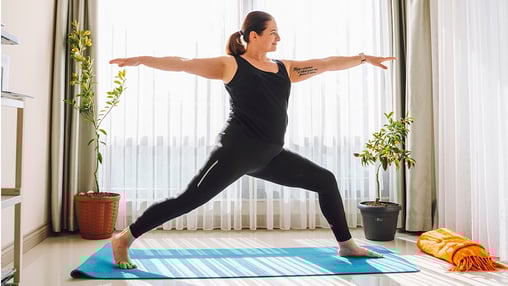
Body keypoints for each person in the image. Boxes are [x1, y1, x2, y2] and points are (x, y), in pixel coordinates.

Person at [109, 11, 395, 269]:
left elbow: (326, 64)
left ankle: (346, 245)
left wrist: (363, 58)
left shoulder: (285, 69)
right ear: (253, 36)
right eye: (273, 32)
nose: (278, 38)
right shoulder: (231, 65)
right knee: (189, 200)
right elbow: (184, 63)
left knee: (325, 180)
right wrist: (143, 60)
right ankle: (125, 237)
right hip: (235, 152)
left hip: (270, 155)